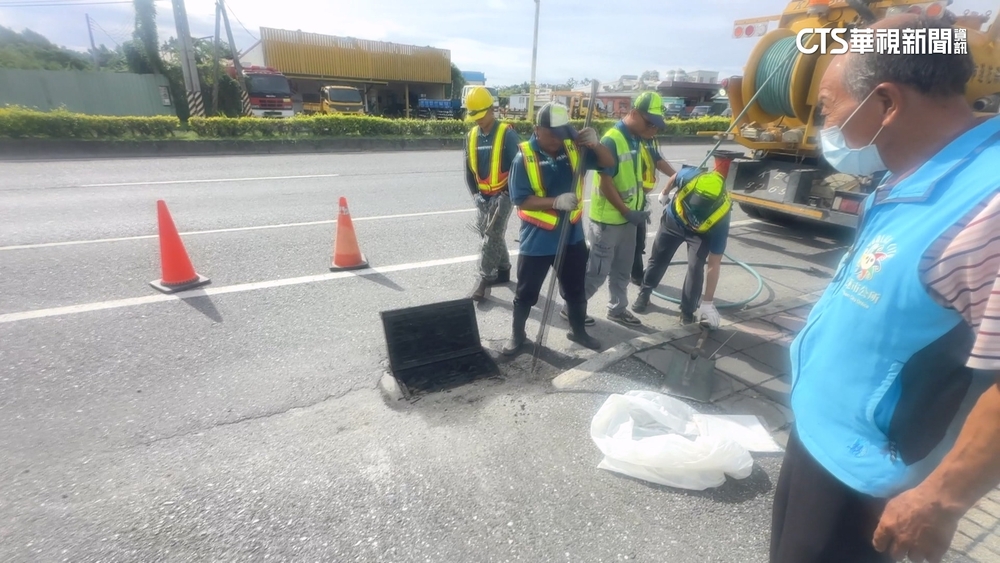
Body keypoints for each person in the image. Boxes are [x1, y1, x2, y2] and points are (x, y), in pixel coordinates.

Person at [770, 14, 1000, 563]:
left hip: (871, 479)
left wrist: (941, 499)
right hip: (822, 439)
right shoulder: (910, 175)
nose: (825, 123)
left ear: (886, 103)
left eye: (827, 105)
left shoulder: (986, 206)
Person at [503, 102, 614, 356]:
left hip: (572, 237)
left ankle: (578, 331)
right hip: (538, 239)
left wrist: (595, 144)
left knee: (575, 289)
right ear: (536, 129)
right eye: (549, 132)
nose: (555, 138)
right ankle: (518, 336)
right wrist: (554, 202)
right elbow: (519, 198)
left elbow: (609, 164)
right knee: (526, 292)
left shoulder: (574, 149)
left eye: (560, 132)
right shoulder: (525, 157)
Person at [570, 91, 664, 328]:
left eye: (656, 124)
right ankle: (571, 309)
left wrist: (636, 210)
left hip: (628, 220)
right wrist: (625, 211)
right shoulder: (613, 139)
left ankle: (617, 309)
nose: (652, 128)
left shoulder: (637, 138)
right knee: (597, 272)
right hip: (609, 221)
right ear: (633, 113)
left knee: (622, 271)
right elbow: (606, 181)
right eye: (649, 122)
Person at [630, 165, 731, 328]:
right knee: (658, 258)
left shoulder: (722, 217)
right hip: (673, 222)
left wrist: (708, 302)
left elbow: (714, 264)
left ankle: (687, 310)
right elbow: (674, 177)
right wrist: (664, 193)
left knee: (695, 267)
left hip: (701, 234)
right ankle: (645, 293)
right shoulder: (689, 176)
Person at [463, 86, 521, 301]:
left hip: (503, 195)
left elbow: (522, 167)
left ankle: (484, 280)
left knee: (490, 235)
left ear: (491, 109)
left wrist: (507, 193)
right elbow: (468, 170)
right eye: (473, 116)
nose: (477, 120)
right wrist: (475, 195)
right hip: (483, 196)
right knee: (490, 234)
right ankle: (504, 269)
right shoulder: (471, 136)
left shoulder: (507, 134)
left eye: (480, 115)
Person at [632, 132, 678, 286]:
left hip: (639, 199)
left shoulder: (646, 140)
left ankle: (636, 274)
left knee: (638, 242)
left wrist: (678, 177)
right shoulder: (629, 141)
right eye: (652, 124)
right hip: (627, 200)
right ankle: (633, 275)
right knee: (630, 243)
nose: (655, 130)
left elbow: (658, 161)